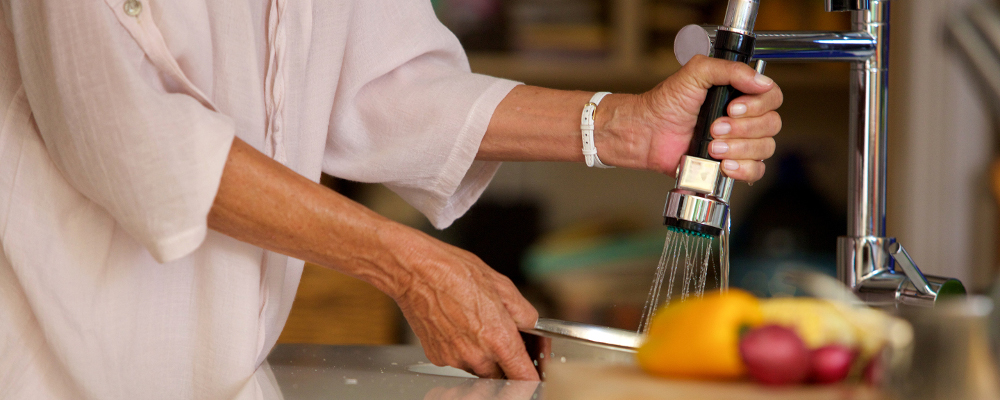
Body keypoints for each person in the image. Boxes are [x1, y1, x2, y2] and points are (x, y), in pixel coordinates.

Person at [0, 0, 782, 398]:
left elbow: (383, 86)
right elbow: (136, 140)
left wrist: (622, 126)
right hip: (52, 374)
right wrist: (410, 266)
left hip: (231, 380)